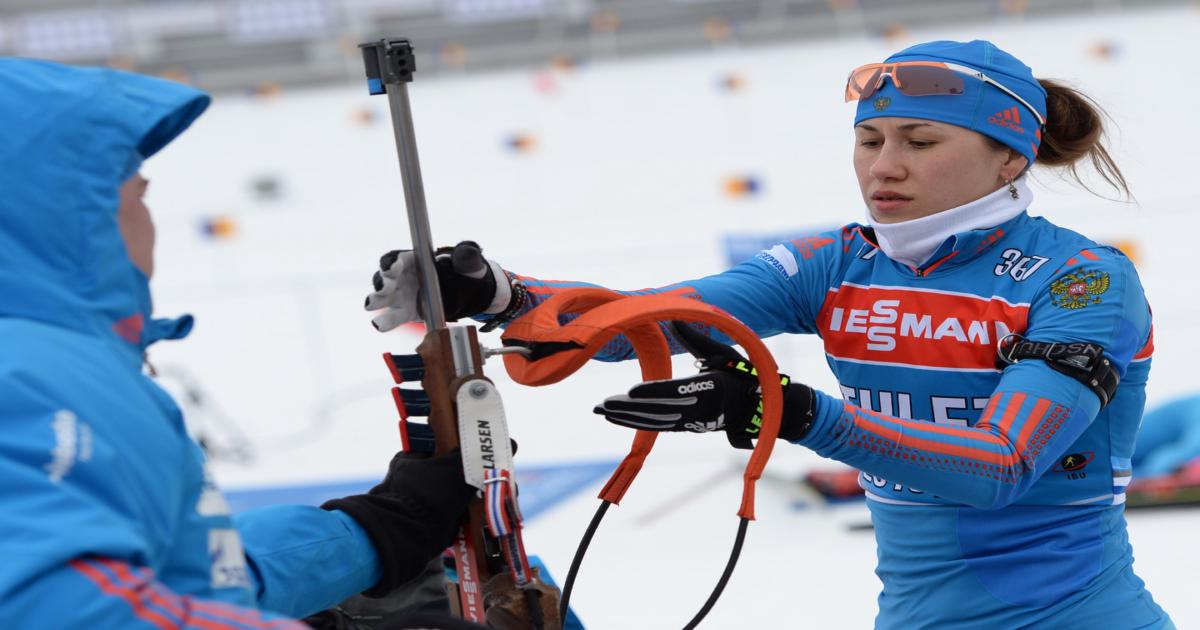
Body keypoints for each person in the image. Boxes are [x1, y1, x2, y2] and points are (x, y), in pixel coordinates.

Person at [366, 40, 1175, 628]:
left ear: (1011, 160)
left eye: (921, 142)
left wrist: (792, 411)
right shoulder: (838, 263)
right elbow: (643, 321)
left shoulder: (1081, 280)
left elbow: (1001, 467)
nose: (883, 166)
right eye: (869, 140)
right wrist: (500, 294)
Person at [0, 59, 481, 628]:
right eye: (138, 195)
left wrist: (374, 531)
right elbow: (62, 611)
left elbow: (190, 579)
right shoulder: (34, 379)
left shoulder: (51, 365)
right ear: (66, 213)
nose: (150, 223)